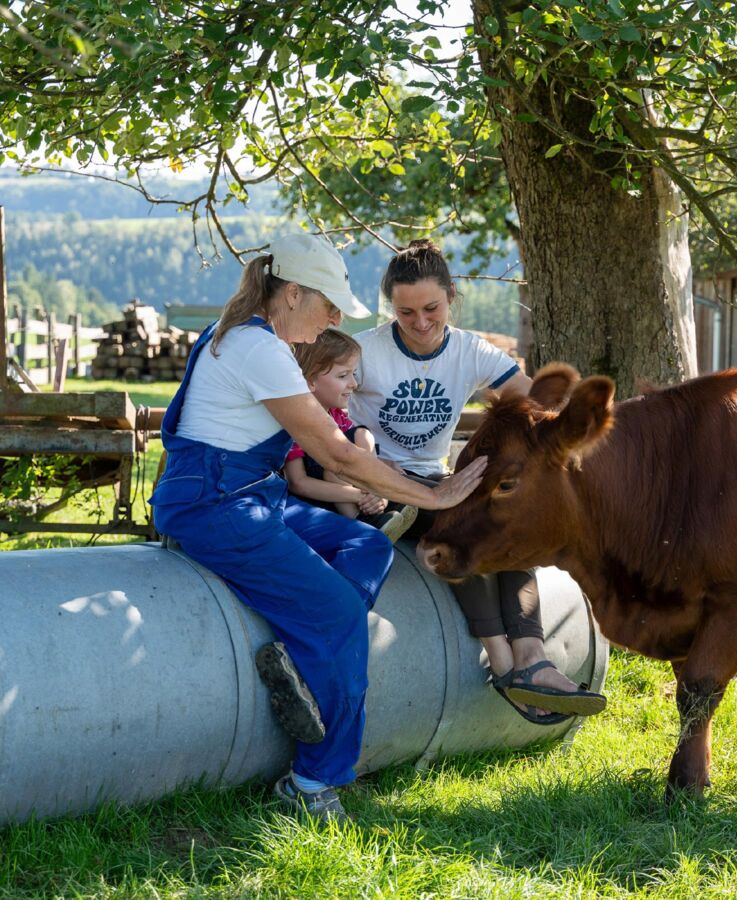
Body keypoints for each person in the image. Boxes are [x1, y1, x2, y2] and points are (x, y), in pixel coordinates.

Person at [149, 233, 487, 823]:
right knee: (336, 613)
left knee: (363, 543)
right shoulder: (261, 350)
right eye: (328, 304)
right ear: (294, 293)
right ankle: (311, 782)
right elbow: (340, 456)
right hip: (217, 505)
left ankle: (305, 657)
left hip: (250, 496)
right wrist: (436, 492)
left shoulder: (244, 335)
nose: (335, 319)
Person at [349, 239, 607, 724]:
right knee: (465, 533)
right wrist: (360, 471)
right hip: (382, 483)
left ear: (451, 295)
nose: (421, 323)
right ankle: (505, 663)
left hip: (438, 476)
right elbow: (327, 412)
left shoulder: (469, 350)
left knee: (508, 525)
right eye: (406, 313)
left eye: (432, 308)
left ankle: (533, 656)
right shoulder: (365, 352)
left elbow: (531, 408)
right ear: (391, 308)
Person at [286, 329, 417, 541]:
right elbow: (298, 482)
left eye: (353, 374)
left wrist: (372, 490)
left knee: (362, 435)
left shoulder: (335, 415)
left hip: (349, 485)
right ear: (310, 380)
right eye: (342, 375)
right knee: (334, 469)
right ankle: (363, 521)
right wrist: (359, 495)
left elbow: (356, 455)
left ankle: (376, 496)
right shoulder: (295, 421)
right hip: (316, 495)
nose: (354, 384)